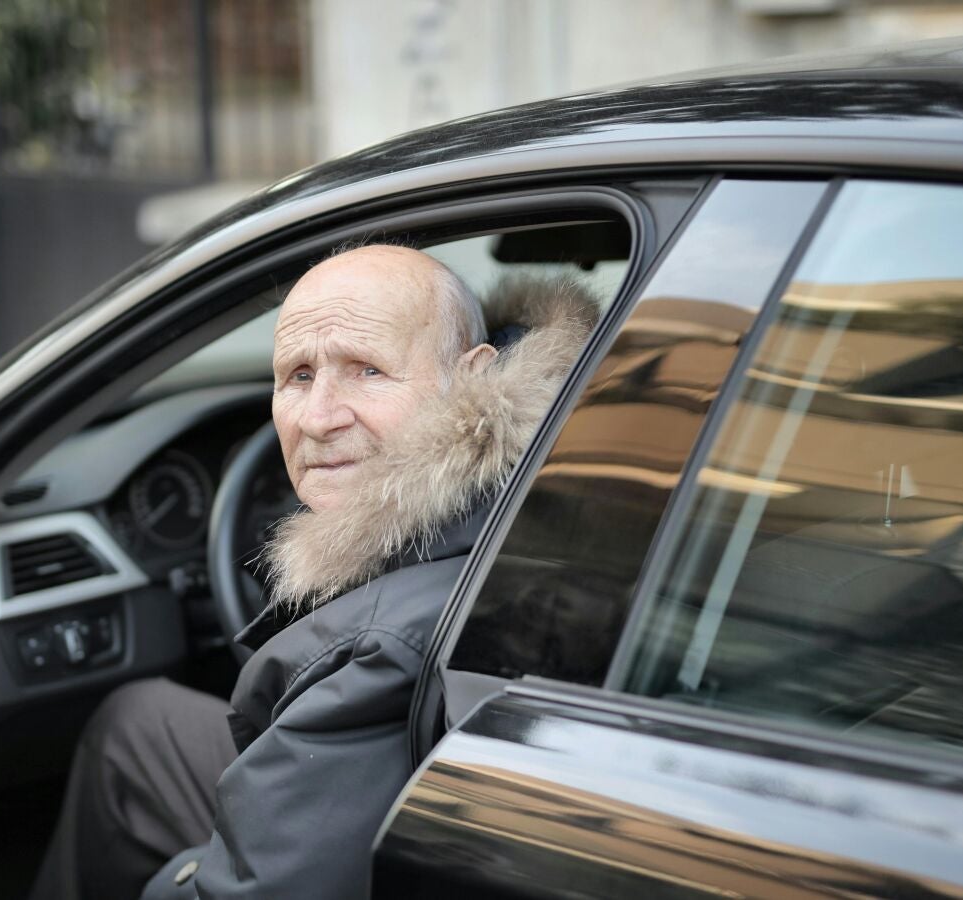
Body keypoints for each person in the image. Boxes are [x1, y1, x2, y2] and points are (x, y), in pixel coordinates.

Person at [29, 244, 597, 900]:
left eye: (367, 370)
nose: (319, 419)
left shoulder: (380, 649)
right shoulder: (551, 479)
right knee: (137, 725)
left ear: (472, 375)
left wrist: (177, 875)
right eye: (298, 375)